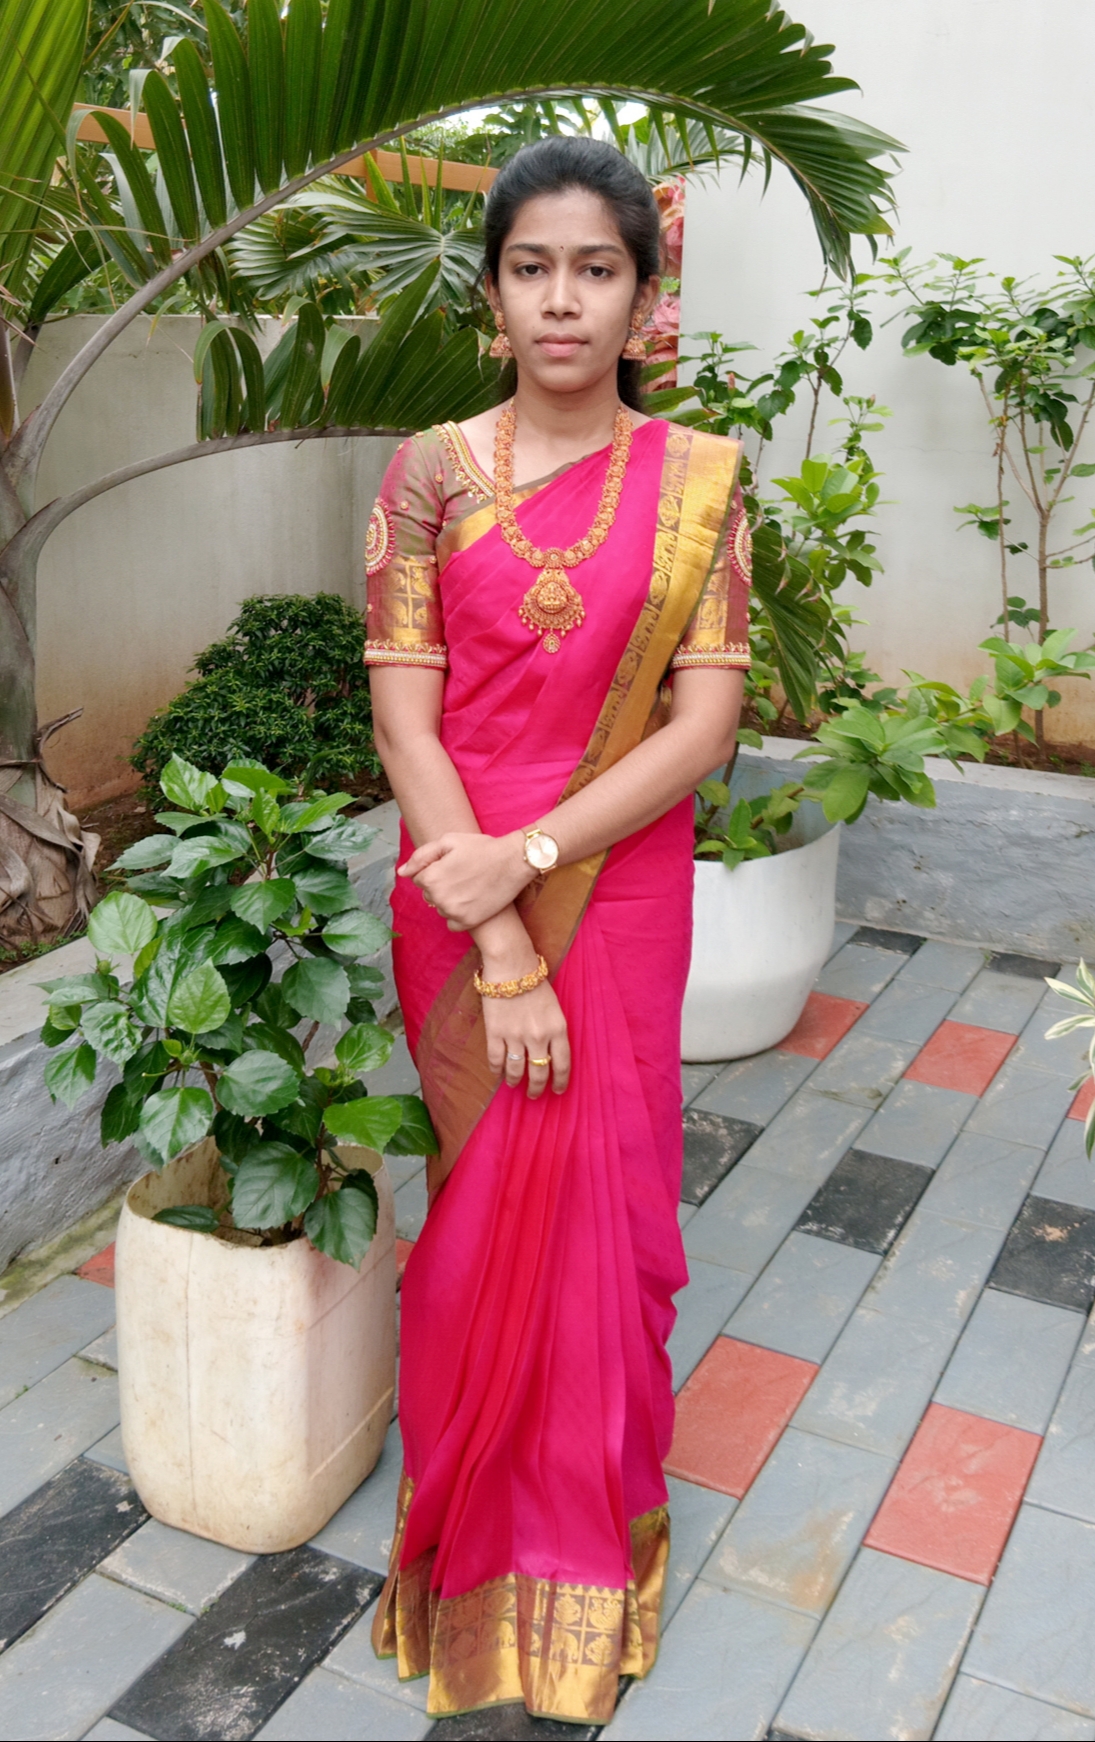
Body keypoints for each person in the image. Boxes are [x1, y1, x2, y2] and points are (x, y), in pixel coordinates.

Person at [363, 135, 750, 1726]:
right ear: (493, 294)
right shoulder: (428, 471)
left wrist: (531, 857)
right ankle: (470, 1548)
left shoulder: (701, 481)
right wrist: (504, 935)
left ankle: (587, 1551)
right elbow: (405, 714)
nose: (564, 299)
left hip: (612, 881)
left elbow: (702, 726)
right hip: (460, 891)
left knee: (605, 1213)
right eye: (533, 267)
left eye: (599, 268)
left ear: (647, 301)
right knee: (480, 1228)